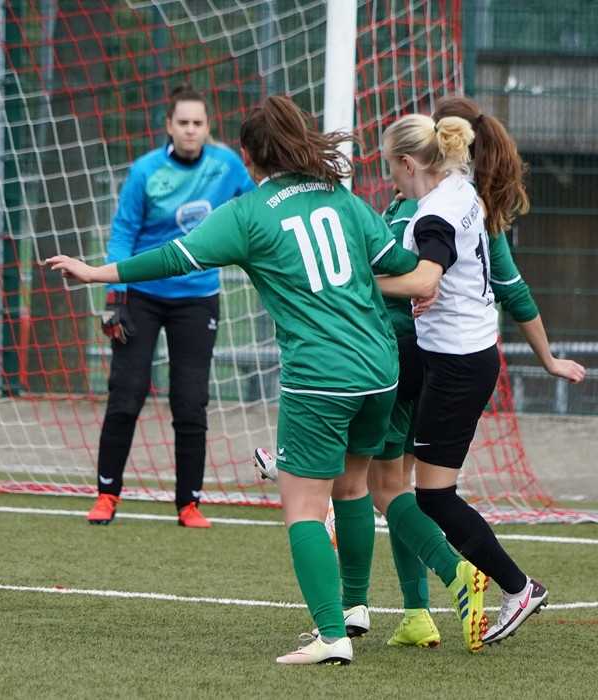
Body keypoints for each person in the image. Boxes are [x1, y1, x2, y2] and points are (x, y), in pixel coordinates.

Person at [48, 95, 431, 665]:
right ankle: (354, 608)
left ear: (248, 156)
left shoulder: (248, 213)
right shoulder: (343, 200)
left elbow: (174, 258)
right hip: (380, 370)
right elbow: (404, 269)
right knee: (353, 490)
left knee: (303, 508)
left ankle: (330, 637)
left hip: (320, 376)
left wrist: (94, 272)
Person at [376, 111, 584, 649]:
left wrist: (359, 279)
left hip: (458, 365)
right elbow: (440, 278)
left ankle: (518, 587)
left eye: (390, 170)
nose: (390, 182)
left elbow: (427, 274)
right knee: (374, 386)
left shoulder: (433, 214)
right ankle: (304, 464)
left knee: (433, 497)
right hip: (446, 350)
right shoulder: (464, 188)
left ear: (406, 164)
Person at [85, 84, 256, 528]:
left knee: (190, 402)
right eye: (183, 122)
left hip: (197, 300)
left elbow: (260, 198)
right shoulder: (145, 171)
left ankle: (189, 503)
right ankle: (107, 495)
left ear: (208, 127)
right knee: (125, 395)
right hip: (140, 297)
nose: (191, 130)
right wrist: (113, 300)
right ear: (169, 126)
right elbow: (123, 232)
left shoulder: (228, 167)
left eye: (198, 123)